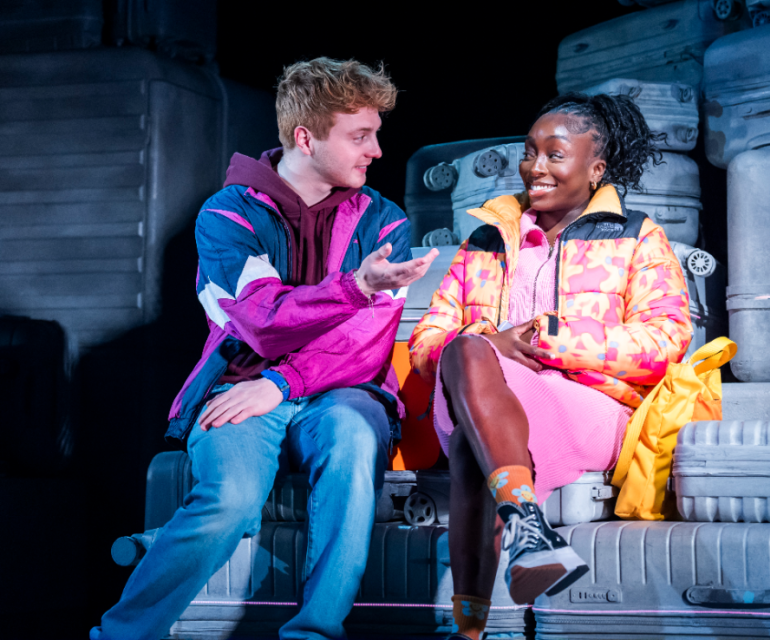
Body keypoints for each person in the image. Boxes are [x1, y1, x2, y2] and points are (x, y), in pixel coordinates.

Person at [91, 57, 438, 640]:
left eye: (375, 134)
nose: (377, 150)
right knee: (228, 500)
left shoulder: (385, 221)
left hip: (340, 394)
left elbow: (364, 340)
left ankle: (314, 632)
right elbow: (260, 321)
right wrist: (352, 289)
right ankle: (122, 635)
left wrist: (282, 382)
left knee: (354, 444)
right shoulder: (227, 215)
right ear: (306, 137)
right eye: (360, 136)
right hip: (237, 388)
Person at [409, 92, 693, 640]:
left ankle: (469, 627)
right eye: (529, 152)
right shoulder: (486, 240)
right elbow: (428, 341)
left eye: (555, 155)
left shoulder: (635, 236)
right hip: (482, 397)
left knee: (476, 436)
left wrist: (547, 340)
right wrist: (494, 341)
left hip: (585, 406)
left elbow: (666, 341)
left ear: (596, 168)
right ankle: (527, 528)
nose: (534, 167)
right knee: (468, 352)